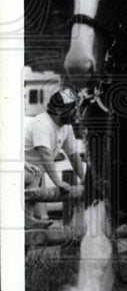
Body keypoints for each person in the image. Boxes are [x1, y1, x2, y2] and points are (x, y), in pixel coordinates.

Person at [24, 87, 86, 223]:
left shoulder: (66, 127)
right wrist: (58, 183)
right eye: (72, 109)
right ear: (59, 110)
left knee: (41, 219)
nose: (76, 113)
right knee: (31, 221)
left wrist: (83, 177)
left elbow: (73, 155)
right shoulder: (42, 123)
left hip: (36, 174)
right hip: (22, 172)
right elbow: (45, 154)